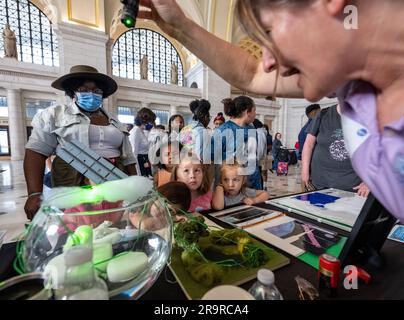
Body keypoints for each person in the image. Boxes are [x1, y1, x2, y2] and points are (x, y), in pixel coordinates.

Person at [138, 0, 404, 221]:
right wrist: (180, 26)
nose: (267, 62)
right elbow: (250, 74)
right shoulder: (350, 80)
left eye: (270, 33)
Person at [24, 65, 137, 220]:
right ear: (73, 92)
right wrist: (34, 193)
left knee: (111, 225)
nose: (91, 94)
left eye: (97, 91)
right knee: (80, 228)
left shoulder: (114, 119)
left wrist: (136, 187)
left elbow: (128, 157)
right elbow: (35, 152)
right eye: (83, 89)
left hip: (114, 179)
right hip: (74, 180)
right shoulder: (54, 115)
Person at [302, 104, 369, 197]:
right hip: (319, 183)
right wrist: (305, 171)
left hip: (352, 187)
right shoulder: (323, 114)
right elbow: (309, 144)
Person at [212, 96, 262, 190]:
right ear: (248, 112)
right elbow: (214, 161)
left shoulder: (252, 129)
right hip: (231, 187)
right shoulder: (222, 131)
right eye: (254, 111)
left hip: (253, 183)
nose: (255, 114)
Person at [129, 108, 156, 177]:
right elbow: (134, 154)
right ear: (144, 120)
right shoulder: (135, 132)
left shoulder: (142, 131)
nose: (152, 124)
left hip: (145, 161)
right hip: (140, 163)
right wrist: (138, 174)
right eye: (151, 121)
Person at [253, 119, 269, 188]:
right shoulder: (259, 133)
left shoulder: (260, 134)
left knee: (258, 179)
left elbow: (260, 149)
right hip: (255, 161)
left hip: (256, 162)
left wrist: (255, 160)